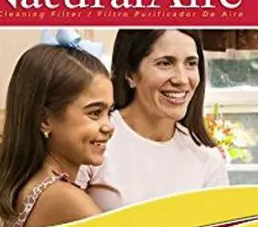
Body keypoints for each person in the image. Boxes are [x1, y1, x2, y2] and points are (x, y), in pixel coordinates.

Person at [77, 29, 228, 209]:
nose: (182, 79)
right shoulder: (95, 140)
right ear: (130, 73)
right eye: (165, 63)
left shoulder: (207, 158)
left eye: (191, 63)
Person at [0, 31, 113, 227]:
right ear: (44, 120)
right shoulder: (64, 197)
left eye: (109, 112)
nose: (109, 126)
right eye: (95, 113)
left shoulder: (33, 184)